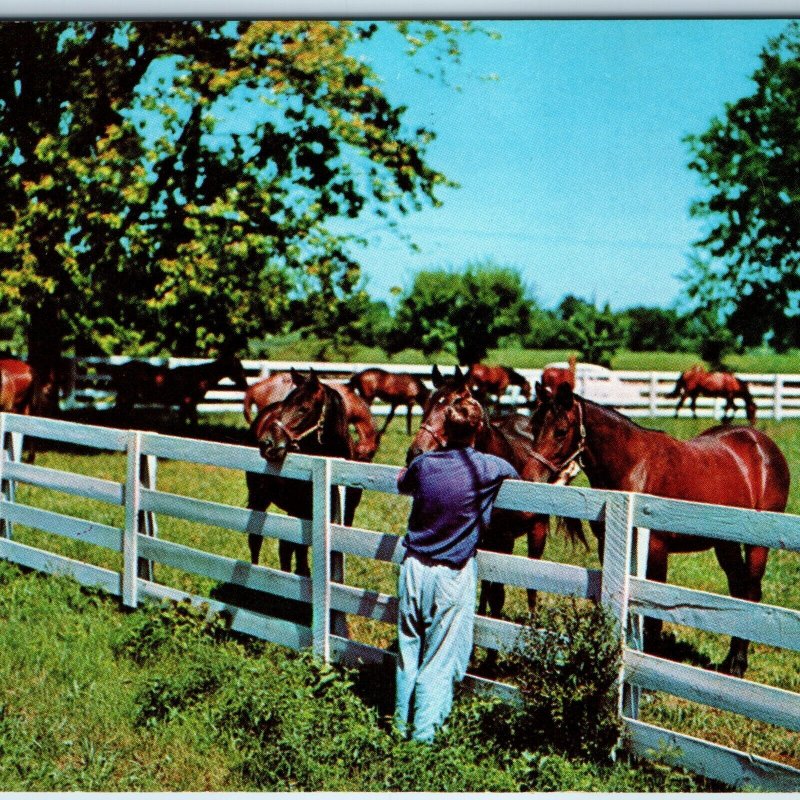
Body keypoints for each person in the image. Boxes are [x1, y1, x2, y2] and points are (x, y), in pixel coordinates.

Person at [394, 397, 519, 743]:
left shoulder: (424, 465)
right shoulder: (490, 468)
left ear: (445, 429)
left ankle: (399, 725)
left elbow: (403, 481)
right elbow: (517, 475)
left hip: (413, 567)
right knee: (438, 658)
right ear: (479, 429)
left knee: (408, 651)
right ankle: (423, 738)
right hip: (451, 573)